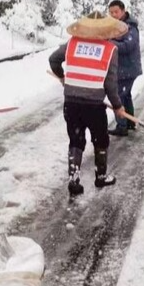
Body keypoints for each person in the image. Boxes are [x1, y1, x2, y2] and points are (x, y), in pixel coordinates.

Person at [49, 11, 128, 196]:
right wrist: (118, 106)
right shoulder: (110, 50)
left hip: (72, 103)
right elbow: (110, 83)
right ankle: (101, 177)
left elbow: (53, 59)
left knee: (75, 140)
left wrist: (62, 77)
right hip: (94, 106)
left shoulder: (72, 44)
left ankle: (74, 180)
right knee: (100, 140)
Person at [107, 0, 142, 136]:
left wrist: (110, 43)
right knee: (125, 95)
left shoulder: (130, 27)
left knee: (119, 95)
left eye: (116, 12)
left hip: (128, 68)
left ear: (123, 11)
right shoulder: (114, 25)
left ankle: (122, 126)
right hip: (123, 68)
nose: (113, 14)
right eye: (111, 12)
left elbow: (128, 46)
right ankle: (129, 122)